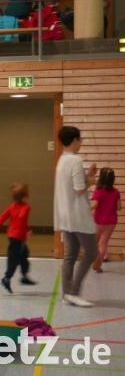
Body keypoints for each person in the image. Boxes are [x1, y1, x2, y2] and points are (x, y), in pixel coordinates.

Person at [54, 125, 98, 307]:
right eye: (80, 139)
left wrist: (88, 176)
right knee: (91, 252)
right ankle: (74, 291)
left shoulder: (62, 160)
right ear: (74, 140)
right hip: (78, 216)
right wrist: (91, 180)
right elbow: (80, 189)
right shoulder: (75, 160)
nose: (81, 143)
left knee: (70, 255)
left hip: (65, 215)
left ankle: (67, 294)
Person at [0, 183, 37, 293]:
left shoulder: (12, 206)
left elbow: (3, 216)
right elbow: (21, 219)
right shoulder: (26, 207)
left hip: (12, 236)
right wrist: (26, 230)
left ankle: (24, 277)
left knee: (24, 254)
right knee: (14, 259)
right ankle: (7, 278)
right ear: (25, 195)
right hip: (18, 238)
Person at [91, 167, 120, 272]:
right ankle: (97, 266)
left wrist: (85, 209)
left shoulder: (98, 191)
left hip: (99, 221)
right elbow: (119, 207)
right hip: (111, 222)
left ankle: (94, 262)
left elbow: (94, 204)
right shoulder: (116, 192)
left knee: (95, 242)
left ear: (101, 178)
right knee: (103, 243)